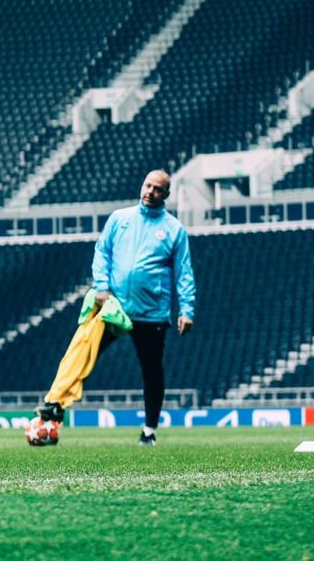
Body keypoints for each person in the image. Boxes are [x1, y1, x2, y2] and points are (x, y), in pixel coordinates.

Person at [35, 170, 196, 446]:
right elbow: (102, 251)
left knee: (151, 370)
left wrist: (187, 309)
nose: (150, 192)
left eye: (157, 189)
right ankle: (55, 405)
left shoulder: (173, 230)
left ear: (166, 195)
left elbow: (183, 272)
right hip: (113, 306)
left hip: (151, 312)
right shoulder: (120, 218)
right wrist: (101, 286)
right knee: (83, 349)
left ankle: (149, 430)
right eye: (147, 185)